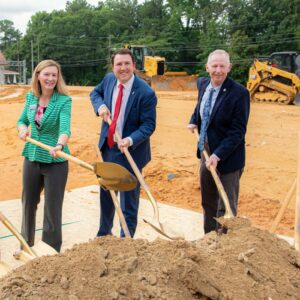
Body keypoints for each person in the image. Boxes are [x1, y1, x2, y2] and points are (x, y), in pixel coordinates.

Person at [90, 48, 157, 238]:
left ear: (134, 66)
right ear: (113, 67)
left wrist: (130, 139)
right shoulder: (109, 80)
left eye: (127, 64)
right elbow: (95, 93)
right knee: (107, 193)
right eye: (119, 64)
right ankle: (104, 234)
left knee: (128, 199)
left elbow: (149, 125)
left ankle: (126, 238)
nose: (123, 68)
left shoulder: (146, 93)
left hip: (131, 152)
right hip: (108, 147)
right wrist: (100, 106)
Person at [188, 49, 250, 234]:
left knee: (225, 207)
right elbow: (201, 105)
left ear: (229, 67)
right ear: (207, 67)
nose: (218, 70)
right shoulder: (203, 84)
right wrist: (193, 119)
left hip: (228, 157)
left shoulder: (239, 93)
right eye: (214, 66)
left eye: (223, 66)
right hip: (205, 151)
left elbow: (238, 131)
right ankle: (208, 240)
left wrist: (218, 155)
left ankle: (224, 247)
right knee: (208, 202)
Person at [17, 59, 72, 252]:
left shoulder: (64, 101)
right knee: (28, 203)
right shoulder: (31, 97)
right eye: (46, 74)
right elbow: (22, 120)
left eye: (54, 75)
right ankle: (25, 245)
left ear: (58, 78)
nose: (50, 78)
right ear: (38, 76)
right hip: (31, 157)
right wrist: (23, 129)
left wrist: (59, 144)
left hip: (55, 160)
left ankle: (50, 249)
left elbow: (65, 128)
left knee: (52, 208)